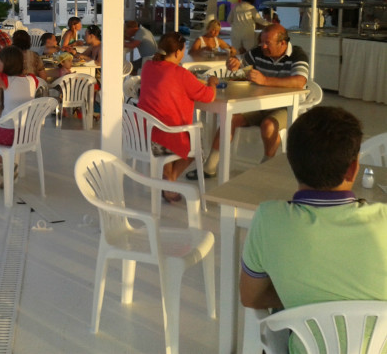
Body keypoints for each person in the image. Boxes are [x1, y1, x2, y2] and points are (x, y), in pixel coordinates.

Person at [240, 106, 387, 354]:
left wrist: (304, 296)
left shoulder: (268, 219)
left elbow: (250, 297)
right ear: (353, 169)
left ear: (292, 163)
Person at [196, 23, 309, 179]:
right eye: (261, 42)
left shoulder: (297, 55)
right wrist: (234, 63)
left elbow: (299, 81)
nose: (263, 46)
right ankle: (210, 166)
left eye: (267, 43)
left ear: (282, 43)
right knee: (230, 119)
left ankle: (266, 164)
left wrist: (265, 80)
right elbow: (240, 63)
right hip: (259, 103)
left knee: (268, 125)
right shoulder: (258, 52)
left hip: (286, 106)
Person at [137, 32, 218, 202]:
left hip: (142, 134)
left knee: (165, 127)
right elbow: (209, 96)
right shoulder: (180, 73)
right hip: (164, 137)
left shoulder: (148, 66)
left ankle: (168, 181)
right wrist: (212, 82)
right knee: (195, 146)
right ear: (177, 52)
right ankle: (170, 181)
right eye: (183, 50)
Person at [0, 46, 39, 188]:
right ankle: (2, 173)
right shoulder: (32, 79)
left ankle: (3, 161)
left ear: (6, 64)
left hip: (9, 135)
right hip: (27, 134)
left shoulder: (6, 80)